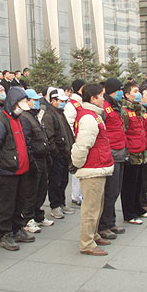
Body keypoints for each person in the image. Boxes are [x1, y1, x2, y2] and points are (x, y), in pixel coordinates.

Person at [0, 87, 35, 251]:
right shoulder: (0, 122)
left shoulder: (18, 119)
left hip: (21, 170)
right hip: (7, 171)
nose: (22, 109)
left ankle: (17, 228)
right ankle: (5, 234)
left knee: (19, 202)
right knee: (6, 205)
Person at [71, 84, 114, 256]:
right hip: (92, 167)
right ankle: (87, 243)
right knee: (90, 208)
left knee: (97, 205)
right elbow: (83, 145)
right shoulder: (89, 118)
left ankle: (93, 235)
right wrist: (78, 163)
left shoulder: (93, 115)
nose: (103, 99)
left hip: (98, 165)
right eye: (100, 96)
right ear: (92, 98)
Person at [20, 89, 54, 233]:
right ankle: (28, 219)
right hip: (34, 158)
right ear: (26, 101)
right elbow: (26, 141)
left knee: (41, 189)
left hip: (42, 157)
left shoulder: (34, 116)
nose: (37, 102)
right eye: (34, 100)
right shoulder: (24, 117)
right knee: (31, 190)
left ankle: (38, 215)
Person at [98, 78, 127, 239]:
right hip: (110, 153)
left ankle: (111, 221)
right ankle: (103, 225)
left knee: (115, 190)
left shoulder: (116, 105)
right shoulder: (104, 106)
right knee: (109, 191)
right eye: (119, 90)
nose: (121, 93)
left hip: (120, 151)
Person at [121, 83, 147, 225]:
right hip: (131, 152)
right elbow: (124, 132)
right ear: (127, 95)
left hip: (141, 150)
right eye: (135, 91)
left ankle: (138, 208)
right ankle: (129, 213)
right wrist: (126, 152)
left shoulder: (139, 109)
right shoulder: (125, 111)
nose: (138, 93)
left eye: (138, 91)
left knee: (139, 182)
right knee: (130, 185)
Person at [43, 88, 76, 219]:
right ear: (53, 101)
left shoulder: (60, 113)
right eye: (60, 101)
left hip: (64, 153)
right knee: (55, 181)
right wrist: (56, 152)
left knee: (63, 180)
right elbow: (50, 137)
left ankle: (61, 202)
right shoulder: (49, 115)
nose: (63, 103)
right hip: (57, 155)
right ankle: (55, 205)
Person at [64, 79, 86, 207]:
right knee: (77, 168)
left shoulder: (80, 102)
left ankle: (79, 195)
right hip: (76, 140)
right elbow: (69, 124)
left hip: (81, 138)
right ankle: (76, 196)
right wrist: (74, 140)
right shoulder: (71, 104)